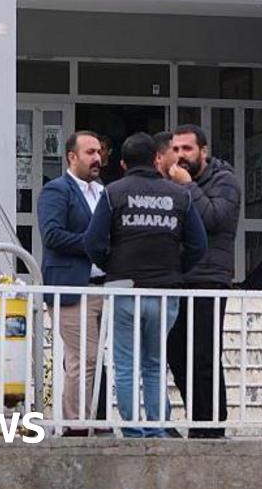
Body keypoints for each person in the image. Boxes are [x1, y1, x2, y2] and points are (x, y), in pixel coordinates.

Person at [84, 132, 207, 437]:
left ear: (123, 164)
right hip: (165, 290)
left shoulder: (113, 193)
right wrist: (175, 269)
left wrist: (112, 266)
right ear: (156, 159)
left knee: (125, 363)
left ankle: (132, 430)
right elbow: (199, 245)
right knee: (155, 362)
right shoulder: (180, 195)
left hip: (125, 287)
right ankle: (156, 428)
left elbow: (93, 242)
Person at [165, 123, 241, 438]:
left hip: (209, 278)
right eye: (176, 149)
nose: (180, 155)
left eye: (187, 148)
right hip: (178, 278)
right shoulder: (172, 181)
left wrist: (187, 186)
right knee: (176, 353)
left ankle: (211, 426)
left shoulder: (224, 180)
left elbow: (213, 218)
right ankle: (198, 419)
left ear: (204, 151)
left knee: (203, 354)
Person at [38, 130, 110, 435]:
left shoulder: (103, 192)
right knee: (84, 357)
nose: (97, 158)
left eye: (99, 152)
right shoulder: (57, 190)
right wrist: (94, 245)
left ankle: (93, 419)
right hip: (71, 287)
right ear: (72, 157)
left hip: (103, 286)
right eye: (90, 152)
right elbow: (52, 235)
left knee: (90, 358)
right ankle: (77, 424)